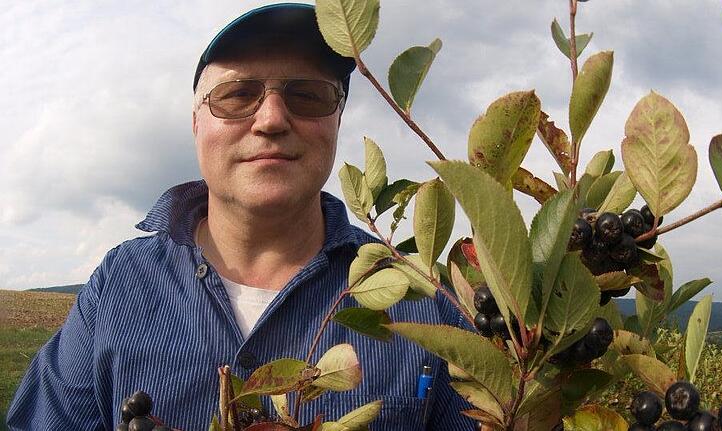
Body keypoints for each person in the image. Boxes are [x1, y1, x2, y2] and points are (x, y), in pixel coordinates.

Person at [6, 3, 473, 430]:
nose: (271, 119)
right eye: (236, 95)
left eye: (307, 95)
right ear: (196, 124)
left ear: (337, 122)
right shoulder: (117, 285)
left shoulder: (423, 300)